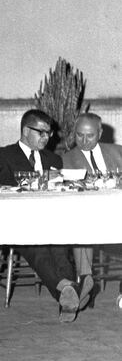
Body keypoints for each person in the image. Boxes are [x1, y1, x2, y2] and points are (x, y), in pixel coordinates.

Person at [0, 109, 91, 322]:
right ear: (26, 130)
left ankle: (67, 295)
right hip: (18, 223)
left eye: (49, 133)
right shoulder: (2, 154)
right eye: (41, 133)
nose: (46, 138)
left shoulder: (53, 158)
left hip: (50, 221)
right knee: (39, 248)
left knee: (60, 248)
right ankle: (67, 288)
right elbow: (3, 184)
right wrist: (41, 179)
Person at [62, 113, 122, 290]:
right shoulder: (66, 159)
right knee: (80, 228)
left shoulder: (118, 152)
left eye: (90, 135)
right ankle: (86, 281)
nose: (85, 141)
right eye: (79, 135)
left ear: (100, 133)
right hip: (88, 217)